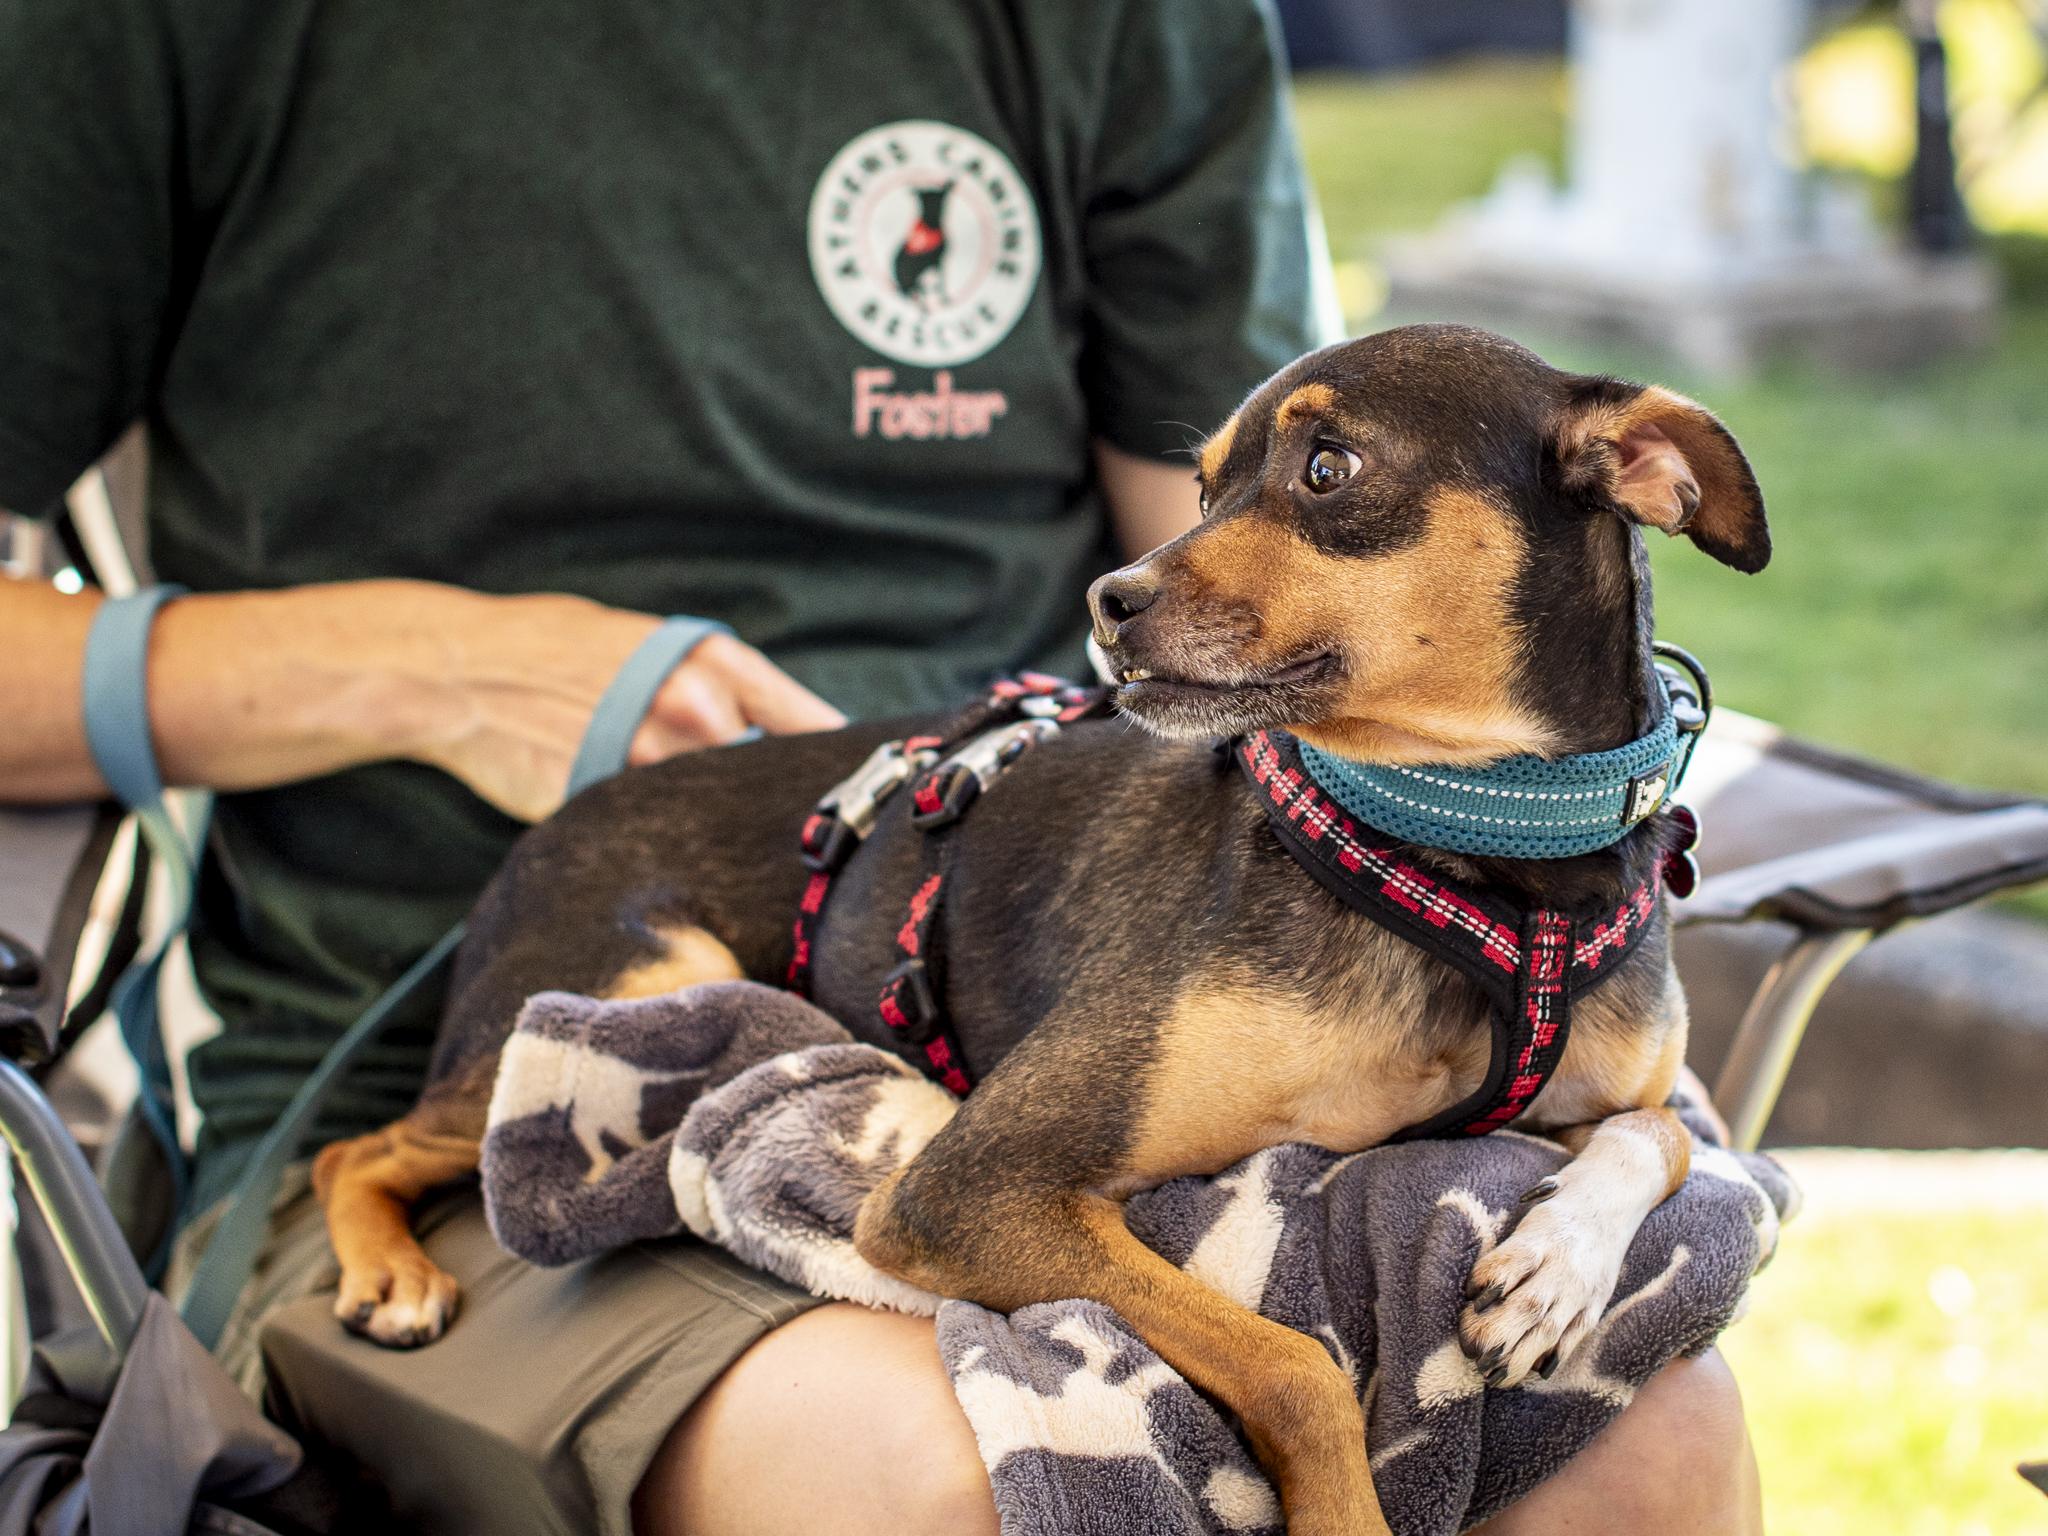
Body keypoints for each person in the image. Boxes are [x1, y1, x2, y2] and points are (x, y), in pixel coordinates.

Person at [0, 0, 1761, 1529]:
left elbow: (1275, 572)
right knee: (965, 1477)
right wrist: (430, 665)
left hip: (1090, 923)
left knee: (1645, 1456)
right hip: (502, 1075)